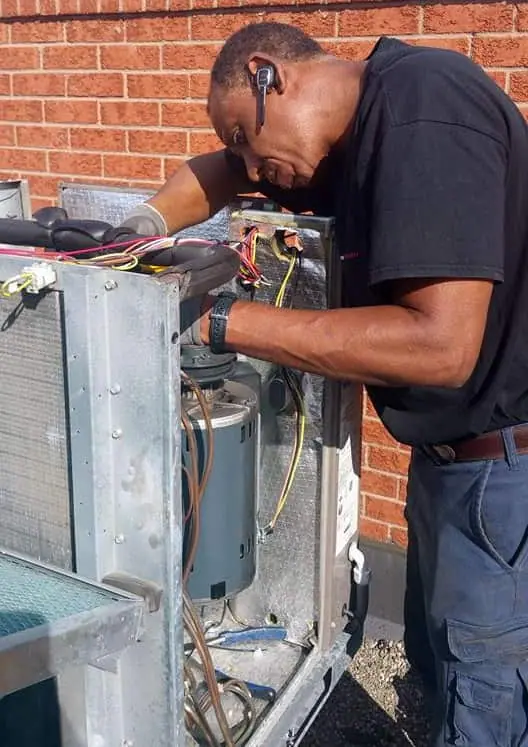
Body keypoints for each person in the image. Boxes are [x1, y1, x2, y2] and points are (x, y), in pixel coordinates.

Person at [117, 22, 528, 747]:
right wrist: (133, 233)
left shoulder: (423, 107)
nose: (250, 163)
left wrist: (225, 323)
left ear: (270, 73)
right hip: (449, 464)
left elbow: (441, 346)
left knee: (486, 701)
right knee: (447, 673)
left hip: (502, 473)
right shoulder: (343, 138)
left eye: (246, 132)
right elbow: (216, 172)